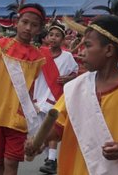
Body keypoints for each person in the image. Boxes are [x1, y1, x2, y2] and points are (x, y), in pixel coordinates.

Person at [25, 15, 118, 174]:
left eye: (88, 46)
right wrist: (39, 141)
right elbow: (59, 127)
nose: (81, 53)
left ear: (109, 50)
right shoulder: (76, 87)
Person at [0, 3, 47, 174]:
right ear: (17, 22)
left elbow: (39, 88)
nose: (28, 28)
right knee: (0, 163)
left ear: (40, 29)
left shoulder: (39, 58)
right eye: (25, 22)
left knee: (11, 162)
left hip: (19, 117)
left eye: (34, 25)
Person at [33, 21, 78, 174]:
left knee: (52, 128)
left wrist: (68, 78)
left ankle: (51, 160)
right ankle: (50, 159)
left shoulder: (68, 56)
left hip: (56, 96)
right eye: (51, 35)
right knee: (40, 130)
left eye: (57, 35)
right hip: (39, 96)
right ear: (46, 37)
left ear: (63, 39)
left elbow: (75, 73)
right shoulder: (39, 53)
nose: (53, 38)